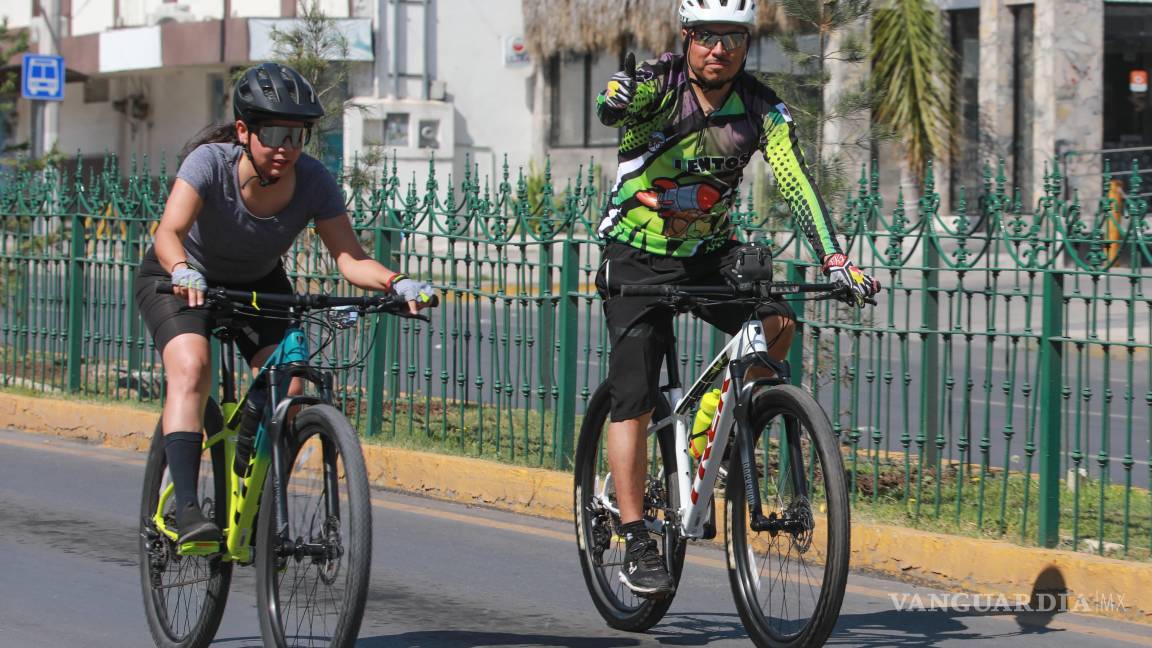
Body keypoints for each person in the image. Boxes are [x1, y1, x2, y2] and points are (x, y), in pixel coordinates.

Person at [593, 0, 879, 598]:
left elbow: (797, 181)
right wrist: (616, 97)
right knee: (634, 398)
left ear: (747, 44)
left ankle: (705, 435)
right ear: (687, 38)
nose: (719, 49)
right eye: (707, 37)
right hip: (637, 257)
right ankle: (636, 534)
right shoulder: (659, 87)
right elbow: (617, 102)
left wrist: (835, 260)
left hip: (708, 253)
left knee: (776, 324)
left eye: (733, 38)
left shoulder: (760, 109)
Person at [134, 62, 434, 544]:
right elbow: (168, 232)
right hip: (180, 275)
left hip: (255, 282)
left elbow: (350, 257)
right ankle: (187, 510)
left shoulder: (312, 180)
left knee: (292, 380)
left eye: (298, 136)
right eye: (273, 133)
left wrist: (396, 282)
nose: (286, 147)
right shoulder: (209, 163)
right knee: (192, 369)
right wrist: (182, 270)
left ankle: (257, 481)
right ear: (243, 131)